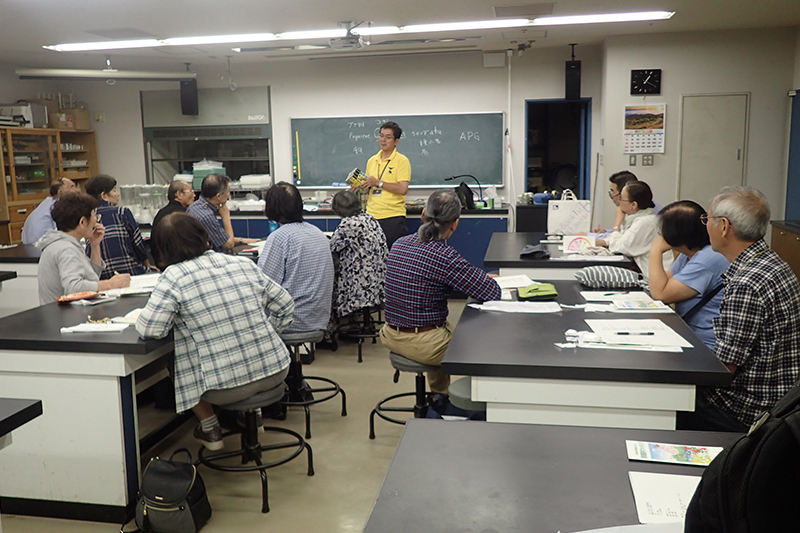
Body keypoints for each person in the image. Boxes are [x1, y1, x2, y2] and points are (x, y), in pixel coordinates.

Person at [136, 213, 294, 450]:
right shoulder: (241, 263)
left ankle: (210, 428)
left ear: (163, 250)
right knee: (242, 340)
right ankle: (254, 415)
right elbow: (285, 304)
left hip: (225, 388)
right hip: (277, 369)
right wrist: (266, 334)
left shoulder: (174, 277)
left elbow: (152, 329)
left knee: (180, 357)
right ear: (206, 239)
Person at [677, 186, 800, 432]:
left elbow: (724, 368)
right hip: (780, 399)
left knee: (670, 395)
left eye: (707, 219)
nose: (705, 226)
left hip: (748, 408)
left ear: (723, 226)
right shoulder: (773, 262)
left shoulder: (747, 282)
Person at [380, 190, 501, 394]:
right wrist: (484, 278)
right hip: (424, 343)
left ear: (422, 216)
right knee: (480, 345)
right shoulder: (445, 256)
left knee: (441, 328)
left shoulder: (399, 244)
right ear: (455, 223)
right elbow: (491, 291)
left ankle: (440, 397)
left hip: (390, 334)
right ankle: (470, 402)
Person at [648, 201, 729, 349]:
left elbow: (660, 294)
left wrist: (655, 251)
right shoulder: (690, 254)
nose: (660, 235)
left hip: (706, 345)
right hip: (690, 334)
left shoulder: (708, 258)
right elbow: (663, 282)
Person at [258, 182, 334, 333]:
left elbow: (262, 285)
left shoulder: (279, 237)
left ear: (271, 208)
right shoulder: (318, 233)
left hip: (291, 321)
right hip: (319, 320)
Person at [37, 192, 131, 304]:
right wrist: (110, 284)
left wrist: (95, 246)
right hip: (66, 317)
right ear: (82, 222)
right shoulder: (66, 249)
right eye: (94, 216)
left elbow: (91, 279)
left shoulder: (66, 244)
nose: (96, 220)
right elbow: (74, 288)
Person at [324, 190, 388, 345]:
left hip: (360, 287)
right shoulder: (370, 218)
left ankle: (328, 334)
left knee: (328, 283)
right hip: (379, 282)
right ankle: (356, 321)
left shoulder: (348, 224)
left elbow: (331, 249)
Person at [595, 181, 673, 282]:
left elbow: (619, 247)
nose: (619, 202)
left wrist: (617, 225)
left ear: (633, 205)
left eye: (621, 199)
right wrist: (599, 242)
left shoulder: (645, 223)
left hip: (658, 280)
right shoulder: (640, 219)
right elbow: (623, 237)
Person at [84, 174, 155, 278]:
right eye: (114, 191)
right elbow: (138, 244)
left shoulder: (87, 215)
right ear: (104, 195)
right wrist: (148, 266)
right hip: (129, 271)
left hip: (100, 275)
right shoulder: (122, 212)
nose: (117, 194)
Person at [357, 121, 411, 249]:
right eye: (381, 136)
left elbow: (403, 189)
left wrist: (378, 183)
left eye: (388, 137)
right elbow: (371, 187)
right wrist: (360, 186)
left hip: (392, 217)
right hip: (371, 217)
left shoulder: (402, 161)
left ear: (396, 141)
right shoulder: (372, 160)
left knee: (392, 259)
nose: (383, 140)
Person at [186, 174, 258, 253]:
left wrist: (243, 240)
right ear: (219, 196)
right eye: (228, 192)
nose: (228, 195)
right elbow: (229, 245)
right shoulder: (206, 216)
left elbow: (218, 237)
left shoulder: (194, 206)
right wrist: (225, 216)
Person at [150, 180, 195, 267]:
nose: (194, 195)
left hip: (161, 262)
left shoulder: (162, 212)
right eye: (191, 192)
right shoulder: (182, 215)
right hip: (177, 264)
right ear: (179, 194)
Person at [21, 177, 78, 244]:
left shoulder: (47, 203)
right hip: (41, 248)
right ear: (60, 192)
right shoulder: (58, 207)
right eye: (72, 187)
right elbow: (66, 233)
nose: (77, 190)